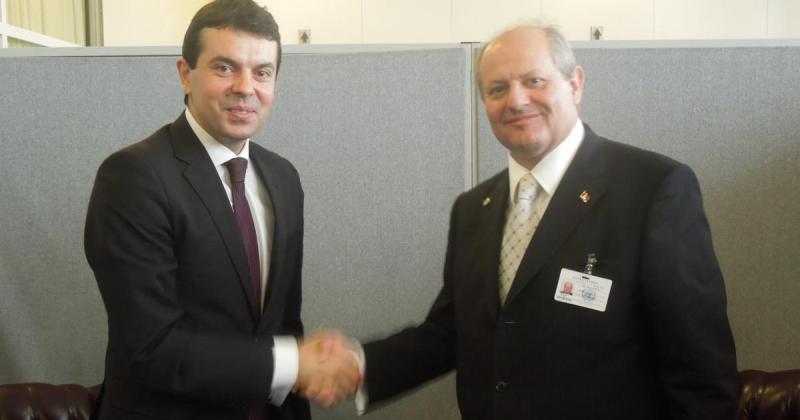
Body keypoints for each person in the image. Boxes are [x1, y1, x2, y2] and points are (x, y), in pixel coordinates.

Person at [360, 24, 738, 419]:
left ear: (575, 84)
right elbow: (453, 332)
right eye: (497, 89)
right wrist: (358, 366)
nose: (516, 100)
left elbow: (701, 373)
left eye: (534, 81)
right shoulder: (473, 209)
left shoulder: (652, 190)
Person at [84, 1, 359, 419]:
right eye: (225, 67)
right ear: (185, 73)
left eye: (262, 72)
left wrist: (303, 369)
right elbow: (151, 347)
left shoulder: (283, 178)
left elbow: (283, 325)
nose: (245, 88)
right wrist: (295, 363)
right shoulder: (133, 177)